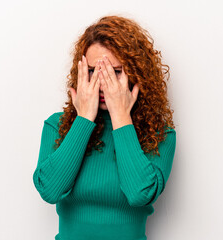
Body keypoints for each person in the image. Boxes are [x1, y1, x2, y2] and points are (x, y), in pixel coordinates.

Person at [33, 15, 176, 240]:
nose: (101, 81)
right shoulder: (58, 125)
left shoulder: (158, 133)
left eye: (115, 72)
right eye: (91, 71)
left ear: (136, 74)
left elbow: (140, 193)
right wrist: (83, 120)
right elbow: (49, 190)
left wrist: (120, 116)